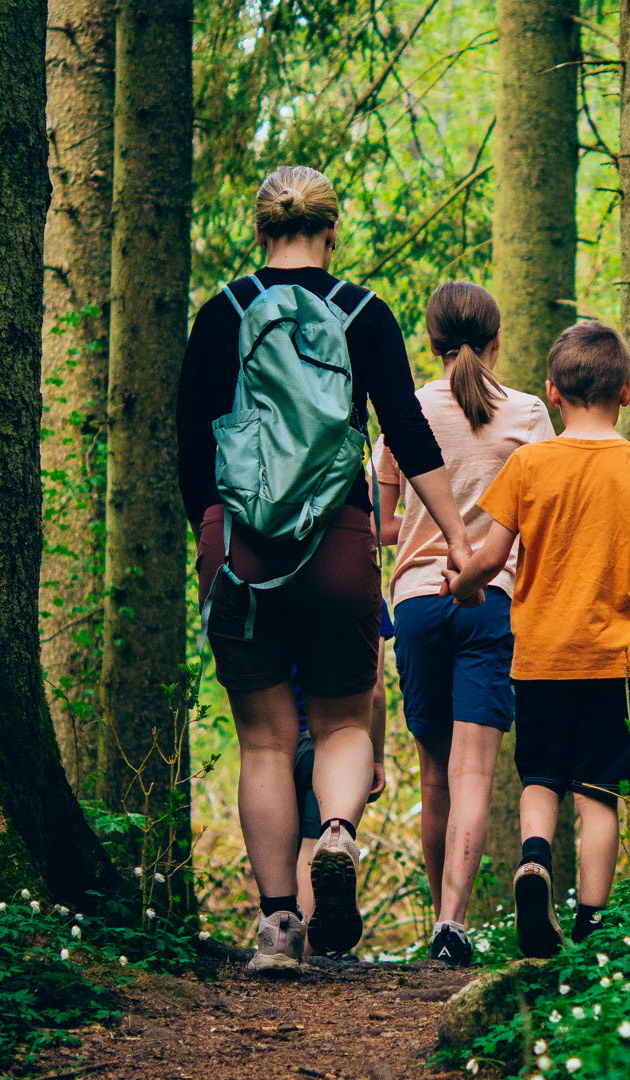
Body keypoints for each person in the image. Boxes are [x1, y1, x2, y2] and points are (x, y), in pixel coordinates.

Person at [179, 166, 473, 972]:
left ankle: (279, 927)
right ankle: (337, 831)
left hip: (241, 546)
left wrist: (213, 535)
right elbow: (406, 430)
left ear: (260, 229)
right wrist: (456, 537)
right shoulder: (363, 313)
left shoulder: (223, 311)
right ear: (332, 231)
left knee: (265, 742)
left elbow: (190, 441)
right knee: (342, 723)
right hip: (339, 540)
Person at [445, 321, 630, 958]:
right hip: (617, 662)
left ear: (552, 393)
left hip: (541, 658)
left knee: (540, 777)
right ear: (627, 391)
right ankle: (590, 926)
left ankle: (534, 863)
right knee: (599, 793)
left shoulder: (529, 463)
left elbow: (491, 557)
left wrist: (462, 587)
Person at [373, 282, 554, 966]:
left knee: (434, 776)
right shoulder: (529, 414)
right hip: (493, 604)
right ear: (497, 341)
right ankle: (453, 922)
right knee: (473, 772)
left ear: (431, 343)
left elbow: (381, 522)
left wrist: (424, 526)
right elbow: (543, 520)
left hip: (419, 603)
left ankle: (436, 928)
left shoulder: (407, 410)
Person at [293, 602, 395, 929]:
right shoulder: (363, 590)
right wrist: (375, 756)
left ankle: (277, 938)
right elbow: (374, 689)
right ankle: (307, 950)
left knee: (279, 855)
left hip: (276, 745)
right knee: (314, 848)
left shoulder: (267, 583)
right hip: (330, 745)